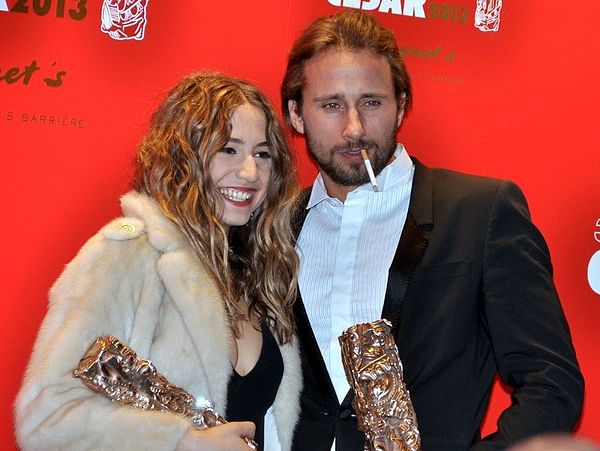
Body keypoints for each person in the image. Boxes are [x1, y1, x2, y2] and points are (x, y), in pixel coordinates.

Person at [276, 10, 584, 451]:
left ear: (401, 105)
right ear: (296, 114)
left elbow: (552, 384)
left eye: (371, 102)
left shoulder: (479, 213)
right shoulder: (276, 229)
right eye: (331, 105)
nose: (354, 128)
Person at [15, 72, 302, 451]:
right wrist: (183, 443)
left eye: (262, 154)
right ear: (183, 156)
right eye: (228, 149)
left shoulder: (261, 275)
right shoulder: (126, 254)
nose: (250, 172)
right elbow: (44, 419)